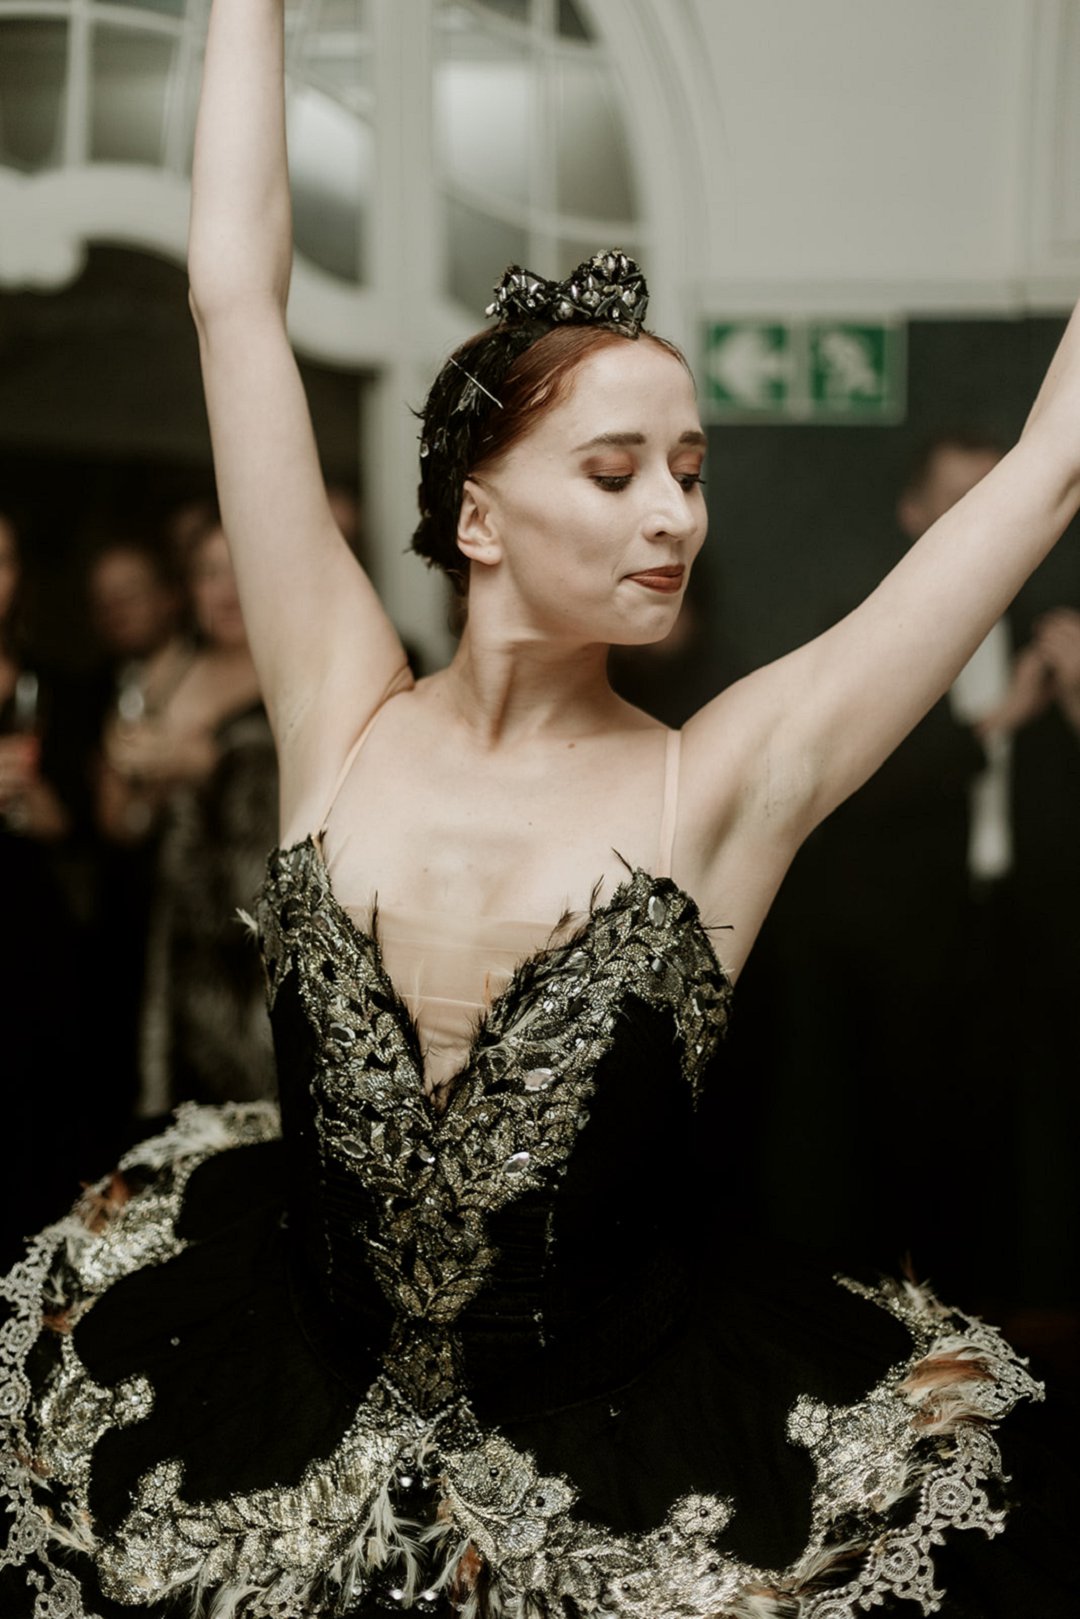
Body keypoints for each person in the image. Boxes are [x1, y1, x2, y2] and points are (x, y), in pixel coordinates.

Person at [1, 4, 1078, 1614]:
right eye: (618, 470)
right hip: (266, 1410)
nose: (677, 515)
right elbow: (234, 292)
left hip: (634, 1464)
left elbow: (1049, 467)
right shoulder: (338, 702)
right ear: (479, 515)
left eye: (692, 470)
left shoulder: (719, 781)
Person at [133, 517, 278, 1117]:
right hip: (168, 926)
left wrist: (212, 764)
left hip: (258, 937)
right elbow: (124, 822)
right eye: (209, 573)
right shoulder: (166, 674)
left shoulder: (295, 672)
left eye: (240, 569)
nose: (226, 589)